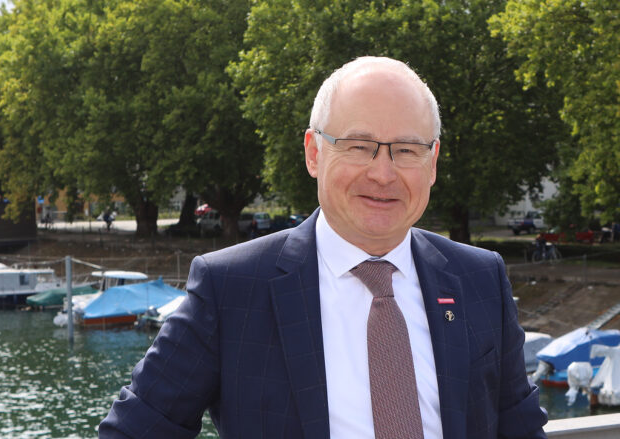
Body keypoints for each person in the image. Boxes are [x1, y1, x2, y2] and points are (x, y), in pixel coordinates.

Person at [99, 57, 547, 438]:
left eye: (407, 150)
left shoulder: (480, 277)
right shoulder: (231, 288)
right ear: (314, 153)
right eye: (359, 146)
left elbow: (521, 428)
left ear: (432, 163)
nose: (383, 174)